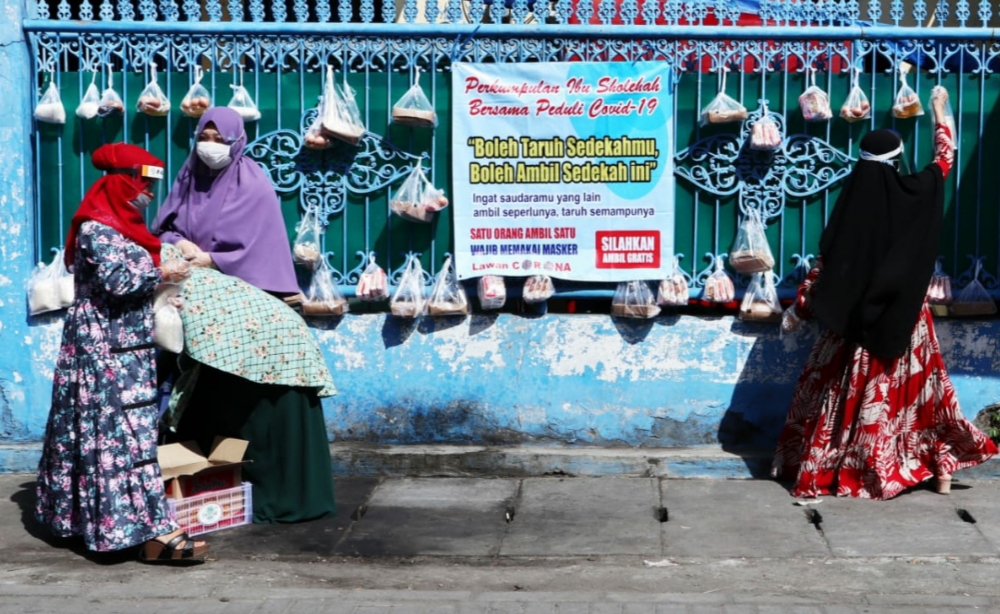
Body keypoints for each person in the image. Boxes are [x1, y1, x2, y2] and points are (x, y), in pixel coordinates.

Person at [772, 87, 997, 500]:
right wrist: (937, 109)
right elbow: (944, 158)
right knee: (922, 401)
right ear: (895, 162)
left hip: (854, 326)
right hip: (906, 322)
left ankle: (845, 467)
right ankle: (939, 470)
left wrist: (799, 309)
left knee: (845, 401)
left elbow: (827, 268)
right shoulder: (916, 192)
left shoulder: (852, 205)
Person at [153, 107, 337, 524]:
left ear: (237, 142)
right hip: (191, 295)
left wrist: (212, 259)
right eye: (207, 136)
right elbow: (164, 227)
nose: (211, 147)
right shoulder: (186, 180)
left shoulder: (252, 184)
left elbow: (256, 247)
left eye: (221, 139)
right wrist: (180, 245)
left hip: (248, 293)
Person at [35, 143, 208, 564]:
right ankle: (136, 529)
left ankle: (143, 528)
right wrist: (162, 272)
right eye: (142, 182)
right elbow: (117, 281)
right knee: (115, 440)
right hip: (100, 353)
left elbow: (134, 286)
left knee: (132, 439)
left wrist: (165, 290)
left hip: (130, 349)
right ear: (120, 182)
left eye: (150, 184)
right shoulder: (98, 227)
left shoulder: (127, 227)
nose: (147, 192)